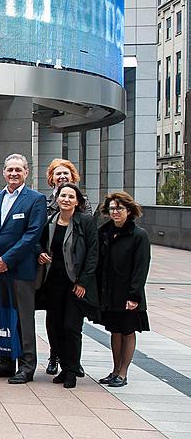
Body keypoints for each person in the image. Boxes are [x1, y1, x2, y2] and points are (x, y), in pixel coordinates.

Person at [0, 153, 47, 384]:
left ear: (26, 172)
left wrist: (7, 259)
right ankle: (5, 361)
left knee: (23, 318)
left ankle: (26, 366)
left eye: (19, 170)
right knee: (1, 316)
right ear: (3, 172)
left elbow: (32, 234)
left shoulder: (35, 199)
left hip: (20, 270)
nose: (14, 174)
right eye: (10, 170)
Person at [36, 183, 98, 390]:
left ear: (77, 201)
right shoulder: (50, 221)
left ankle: (72, 369)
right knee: (55, 326)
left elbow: (92, 255)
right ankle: (63, 365)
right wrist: (40, 253)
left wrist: (83, 282)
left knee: (71, 327)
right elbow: (39, 243)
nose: (66, 199)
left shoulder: (86, 222)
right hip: (52, 282)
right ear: (57, 199)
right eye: (63, 195)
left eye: (71, 196)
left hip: (75, 284)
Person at [94, 191, 151, 388]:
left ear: (129, 210)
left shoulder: (139, 235)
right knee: (114, 330)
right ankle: (115, 369)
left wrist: (134, 295)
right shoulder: (104, 232)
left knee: (127, 331)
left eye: (120, 208)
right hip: (109, 291)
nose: (115, 212)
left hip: (128, 292)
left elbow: (141, 267)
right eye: (112, 208)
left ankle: (123, 372)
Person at [43, 158, 92, 376]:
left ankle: (73, 362)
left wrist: (83, 280)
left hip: (75, 276)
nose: (62, 177)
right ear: (51, 178)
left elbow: (90, 244)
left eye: (66, 174)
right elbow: (41, 235)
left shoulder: (83, 206)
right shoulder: (46, 206)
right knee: (53, 319)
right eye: (58, 174)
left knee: (72, 323)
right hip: (52, 275)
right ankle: (55, 356)